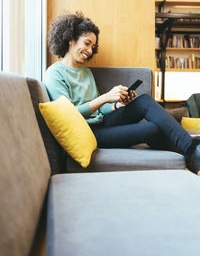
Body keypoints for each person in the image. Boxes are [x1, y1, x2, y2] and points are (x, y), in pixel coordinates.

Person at [44, 11, 200, 174]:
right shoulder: (54, 73)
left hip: (103, 121)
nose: (90, 51)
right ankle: (193, 153)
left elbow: (99, 111)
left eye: (93, 47)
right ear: (71, 39)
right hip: (90, 132)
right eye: (87, 43)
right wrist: (105, 98)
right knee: (152, 129)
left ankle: (193, 150)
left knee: (144, 101)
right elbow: (69, 115)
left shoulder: (86, 72)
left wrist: (117, 105)